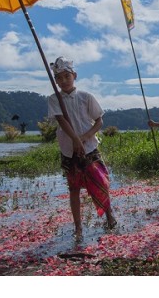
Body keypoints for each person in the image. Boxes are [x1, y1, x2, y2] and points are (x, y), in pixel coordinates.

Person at [47, 57, 116, 238]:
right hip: (69, 150)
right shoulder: (54, 99)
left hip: (89, 147)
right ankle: (78, 227)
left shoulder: (86, 97)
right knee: (74, 188)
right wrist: (75, 140)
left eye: (67, 76)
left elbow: (99, 120)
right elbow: (62, 121)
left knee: (100, 183)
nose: (63, 81)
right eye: (59, 78)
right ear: (55, 81)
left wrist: (84, 137)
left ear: (74, 76)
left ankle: (109, 216)